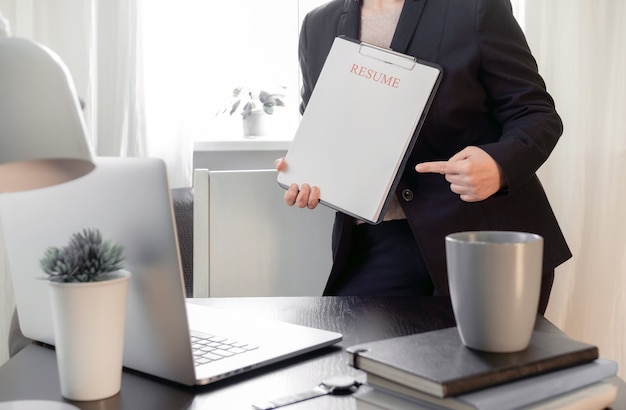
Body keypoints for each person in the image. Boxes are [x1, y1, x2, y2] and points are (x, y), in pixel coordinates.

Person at [275, 0, 571, 314]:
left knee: (484, 364)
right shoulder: (317, 24)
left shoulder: (475, 7)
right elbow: (320, 126)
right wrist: (309, 171)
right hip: (376, 244)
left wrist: (498, 165)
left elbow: (536, 114)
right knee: (356, 357)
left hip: (483, 236)